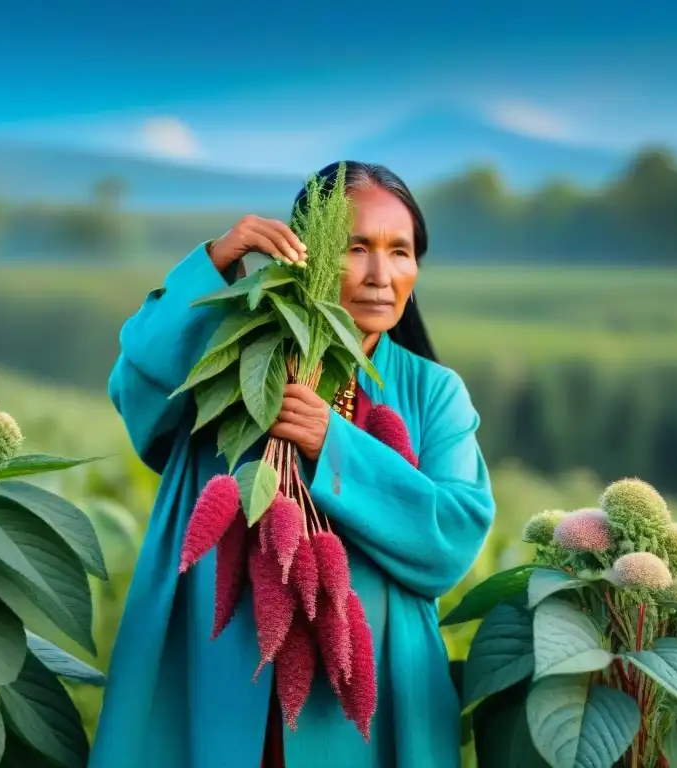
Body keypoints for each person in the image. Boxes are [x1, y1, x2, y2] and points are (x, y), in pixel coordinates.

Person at [90, 161, 496, 768]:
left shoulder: (433, 392)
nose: (381, 275)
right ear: (305, 251)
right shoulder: (236, 354)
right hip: (219, 666)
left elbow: (454, 535)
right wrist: (217, 262)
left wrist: (332, 444)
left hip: (371, 693)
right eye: (356, 248)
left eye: (401, 252)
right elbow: (138, 387)